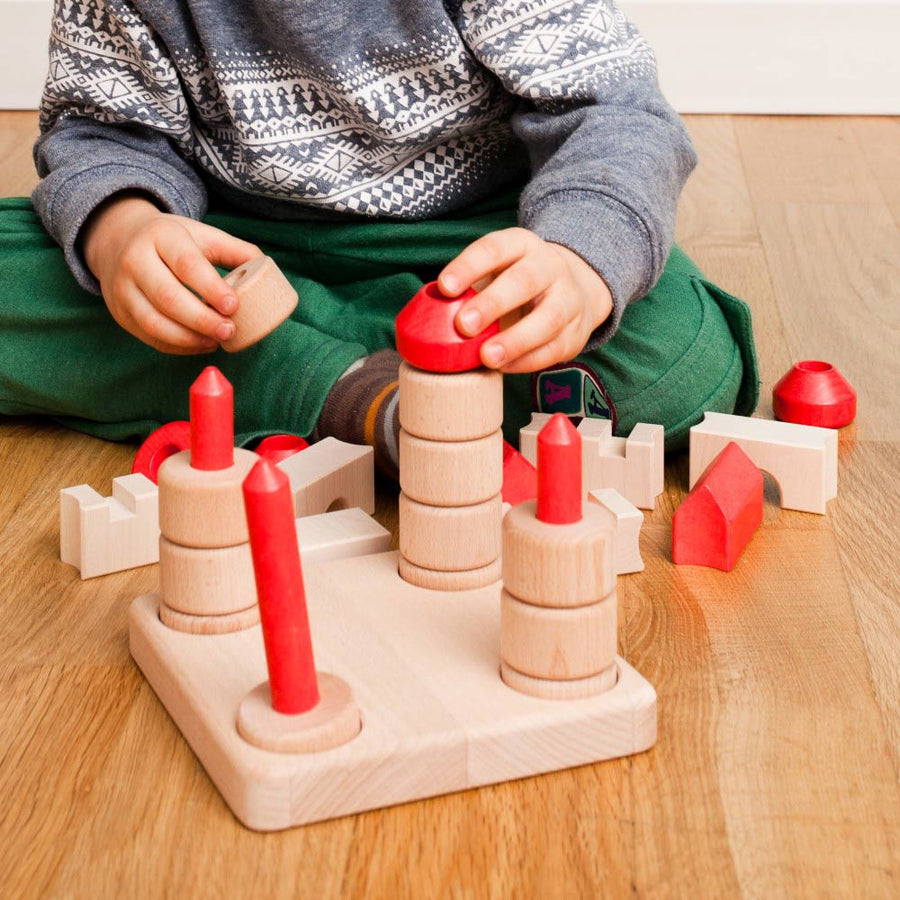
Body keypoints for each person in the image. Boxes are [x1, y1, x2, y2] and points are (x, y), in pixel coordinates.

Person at [0, 0, 758, 477]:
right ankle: (373, 398)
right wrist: (125, 229)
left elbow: (616, 113)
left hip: (468, 263)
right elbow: (103, 132)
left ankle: (322, 377)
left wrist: (575, 261)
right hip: (233, 256)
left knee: (681, 361)